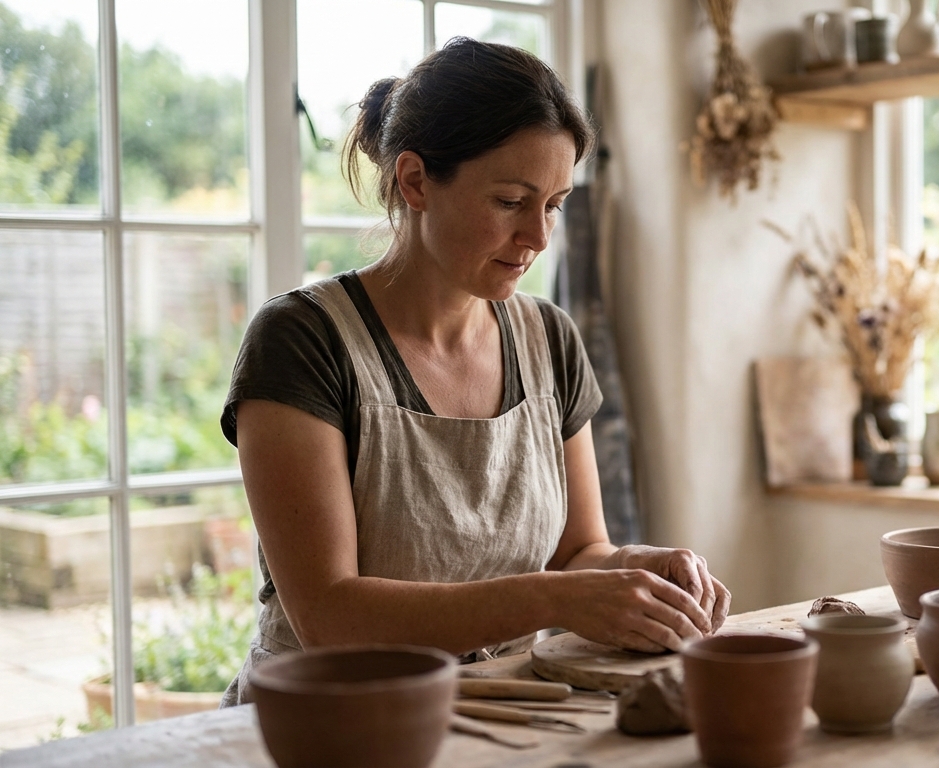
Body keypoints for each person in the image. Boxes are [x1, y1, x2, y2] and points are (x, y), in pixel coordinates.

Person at [219, 38, 729, 706]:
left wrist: (638, 571)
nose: (539, 238)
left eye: (553, 203)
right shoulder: (303, 342)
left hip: (507, 711)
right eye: (511, 200)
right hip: (327, 726)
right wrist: (558, 598)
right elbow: (330, 620)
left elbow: (580, 551)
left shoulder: (548, 339)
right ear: (415, 181)